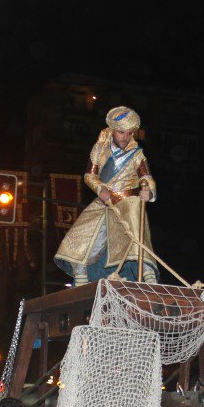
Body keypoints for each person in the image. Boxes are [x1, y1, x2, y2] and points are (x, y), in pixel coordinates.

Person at [54, 105, 159, 285]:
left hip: (128, 200)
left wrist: (148, 191)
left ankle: (148, 272)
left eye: (129, 133)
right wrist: (100, 188)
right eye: (121, 133)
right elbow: (89, 175)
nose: (125, 137)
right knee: (79, 233)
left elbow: (146, 177)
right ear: (112, 130)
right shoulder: (99, 149)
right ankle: (81, 277)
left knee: (136, 228)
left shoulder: (137, 154)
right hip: (105, 200)